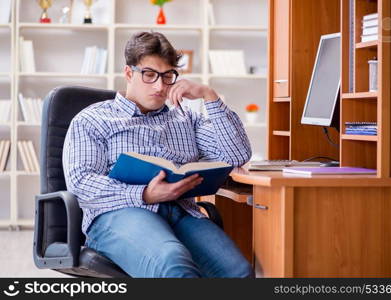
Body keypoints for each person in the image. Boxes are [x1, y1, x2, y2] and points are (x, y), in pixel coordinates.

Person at [62, 31, 254, 278]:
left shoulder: (186, 117)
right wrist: (144, 194)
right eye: (149, 75)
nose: (160, 86)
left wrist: (209, 96)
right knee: (173, 264)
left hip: (180, 211)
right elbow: (81, 182)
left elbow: (236, 155)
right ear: (129, 73)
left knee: (238, 272)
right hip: (119, 214)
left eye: (168, 77)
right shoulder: (93, 119)